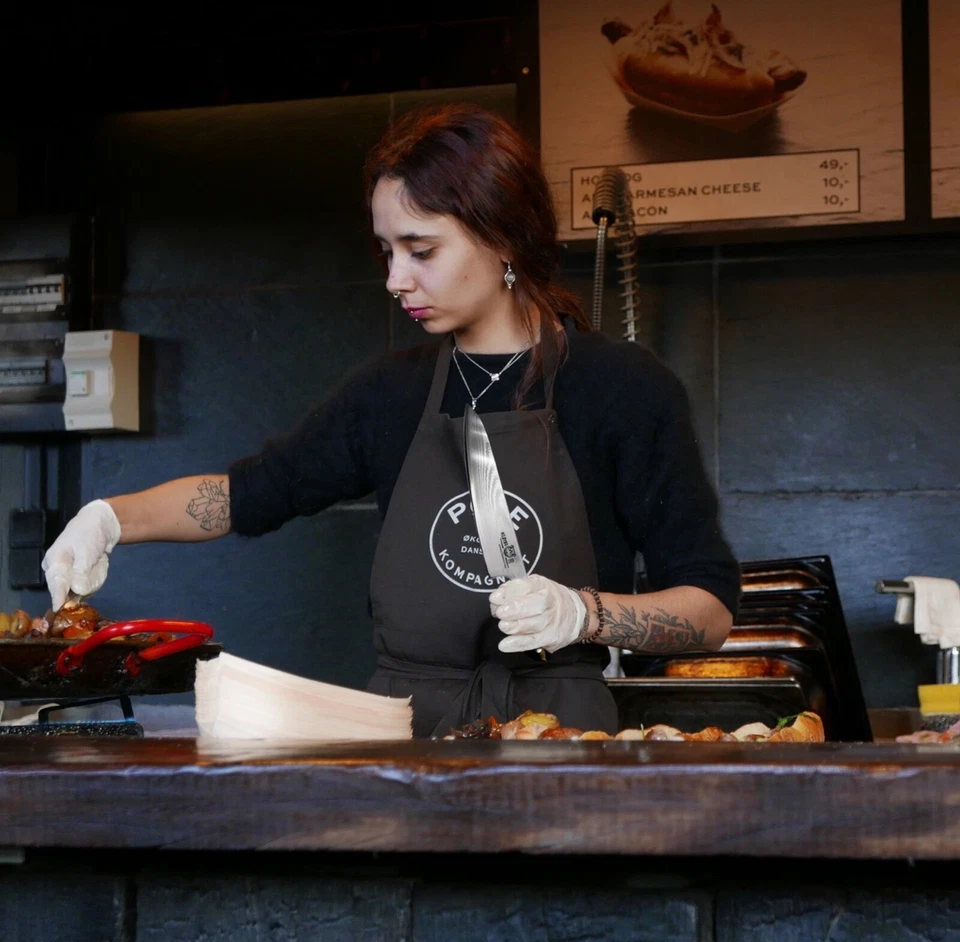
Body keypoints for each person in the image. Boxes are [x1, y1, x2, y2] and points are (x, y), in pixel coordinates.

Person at [42, 104, 740, 738]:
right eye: (387, 250)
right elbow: (251, 492)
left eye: (421, 249)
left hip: (558, 746)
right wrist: (108, 518)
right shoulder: (390, 394)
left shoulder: (623, 389)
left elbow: (709, 612)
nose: (395, 278)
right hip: (407, 746)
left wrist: (586, 614)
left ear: (503, 237)